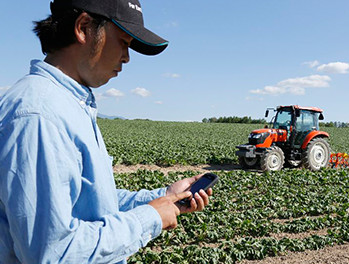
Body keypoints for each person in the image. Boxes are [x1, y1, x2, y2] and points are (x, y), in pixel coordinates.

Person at [0, 0, 212, 263]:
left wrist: (164, 197)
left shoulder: (69, 105)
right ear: (84, 27)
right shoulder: (39, 115)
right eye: (124, 42)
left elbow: (90, 205)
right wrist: (150, 217)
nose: (127, 57)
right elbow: (52, 252)